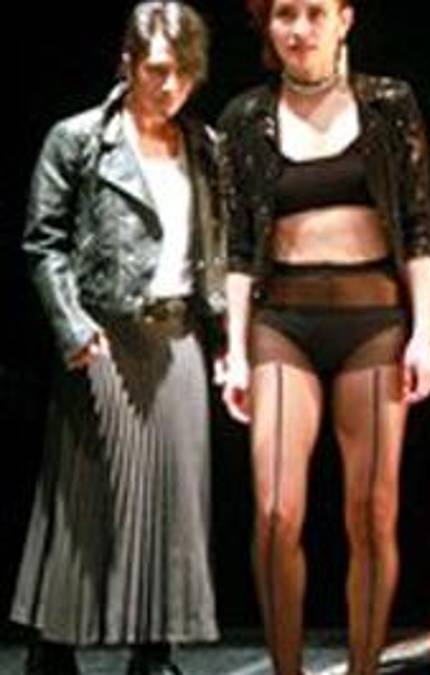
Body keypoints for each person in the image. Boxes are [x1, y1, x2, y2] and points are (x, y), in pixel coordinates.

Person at [218, 0, 430, 672]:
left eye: (315, 13)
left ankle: (364, 666)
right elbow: (237, 245)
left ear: (345, 19)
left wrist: (425, 332)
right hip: (281, 322)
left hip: (374, 321)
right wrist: (235, 351)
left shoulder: (389, 104)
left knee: (371, 513)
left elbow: (418, 224)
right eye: (285, 14)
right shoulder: (246, 117)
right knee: (275, 512)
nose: (300, 29)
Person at [13, 3, 224, 673]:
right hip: (102, 335)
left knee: (175, 501)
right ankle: (54, 648)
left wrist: (226, 340)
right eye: (157, 69)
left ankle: (154, 650)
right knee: (84, 497)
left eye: (184, 71)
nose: (170, 85)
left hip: (177, 335)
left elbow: (216, 250)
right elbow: (44, 243)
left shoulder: (205, 146)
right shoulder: (78, 139)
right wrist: (72, 324)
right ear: (127, 64)